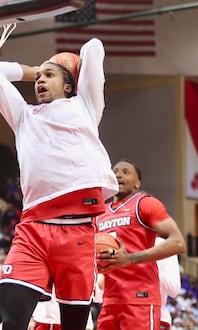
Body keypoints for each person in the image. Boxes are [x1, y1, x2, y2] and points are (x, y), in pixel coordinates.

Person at [0, 38, 118, 330]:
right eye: (38, 78)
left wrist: (67, 63)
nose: (40, 79)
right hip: (33, 231)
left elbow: (93, 47)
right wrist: (31, 70)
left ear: (69, 86)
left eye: (49, 76)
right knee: (11, 321)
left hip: (77, 233)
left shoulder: (85, 105)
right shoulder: (23, 115)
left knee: (73, 326)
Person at [95, 159, 186, 330]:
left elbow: (178, 242)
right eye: (115, 171)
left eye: (126, 172)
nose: (118, 174)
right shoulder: (100, 213)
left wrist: (130, 259)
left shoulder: (144, 203)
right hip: (110, 300)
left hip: (140, 299)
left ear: (137, 183)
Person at [156, 236, 182, 330]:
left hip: (158, 318)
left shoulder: (162, 244)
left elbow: (174, 289)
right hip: (124, 314)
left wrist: (151, 267)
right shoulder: (123, 242)